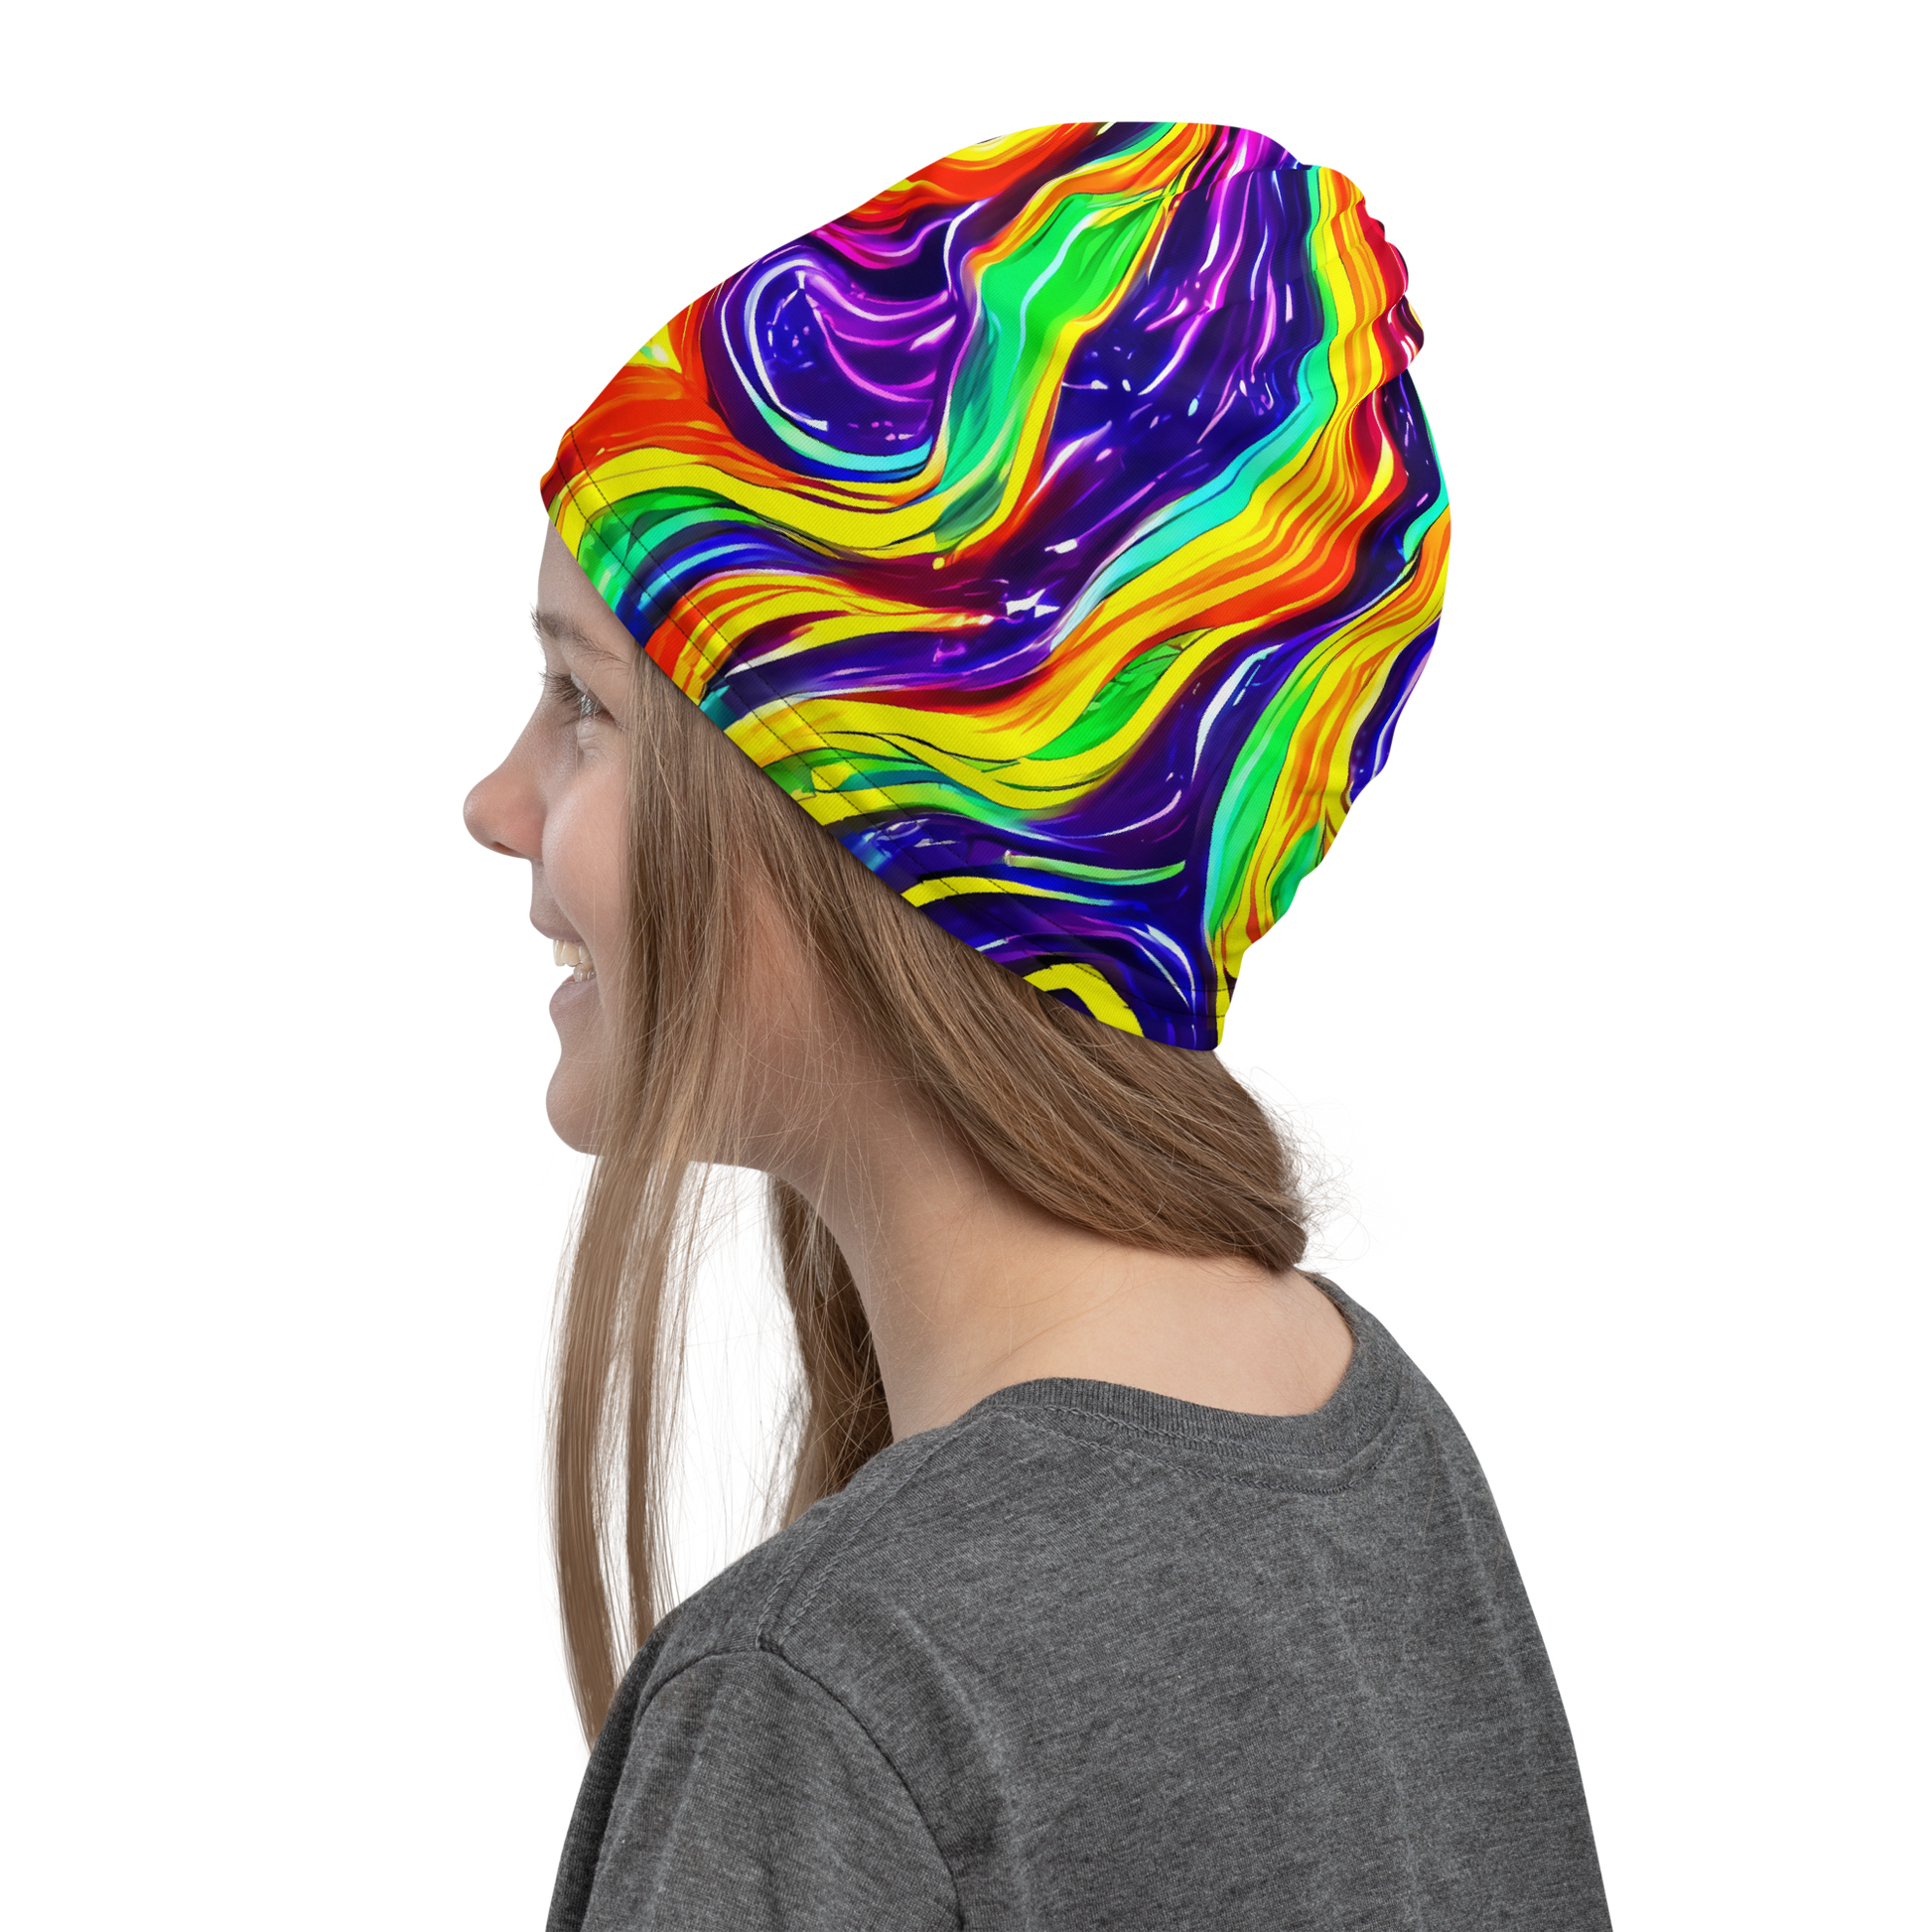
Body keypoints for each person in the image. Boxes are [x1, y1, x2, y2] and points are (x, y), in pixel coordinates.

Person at [462, 118, 1612, 1928]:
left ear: (856, 813)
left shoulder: (832, 1688)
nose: (495, 802)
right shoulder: (1366, 1434)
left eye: (580, 701)